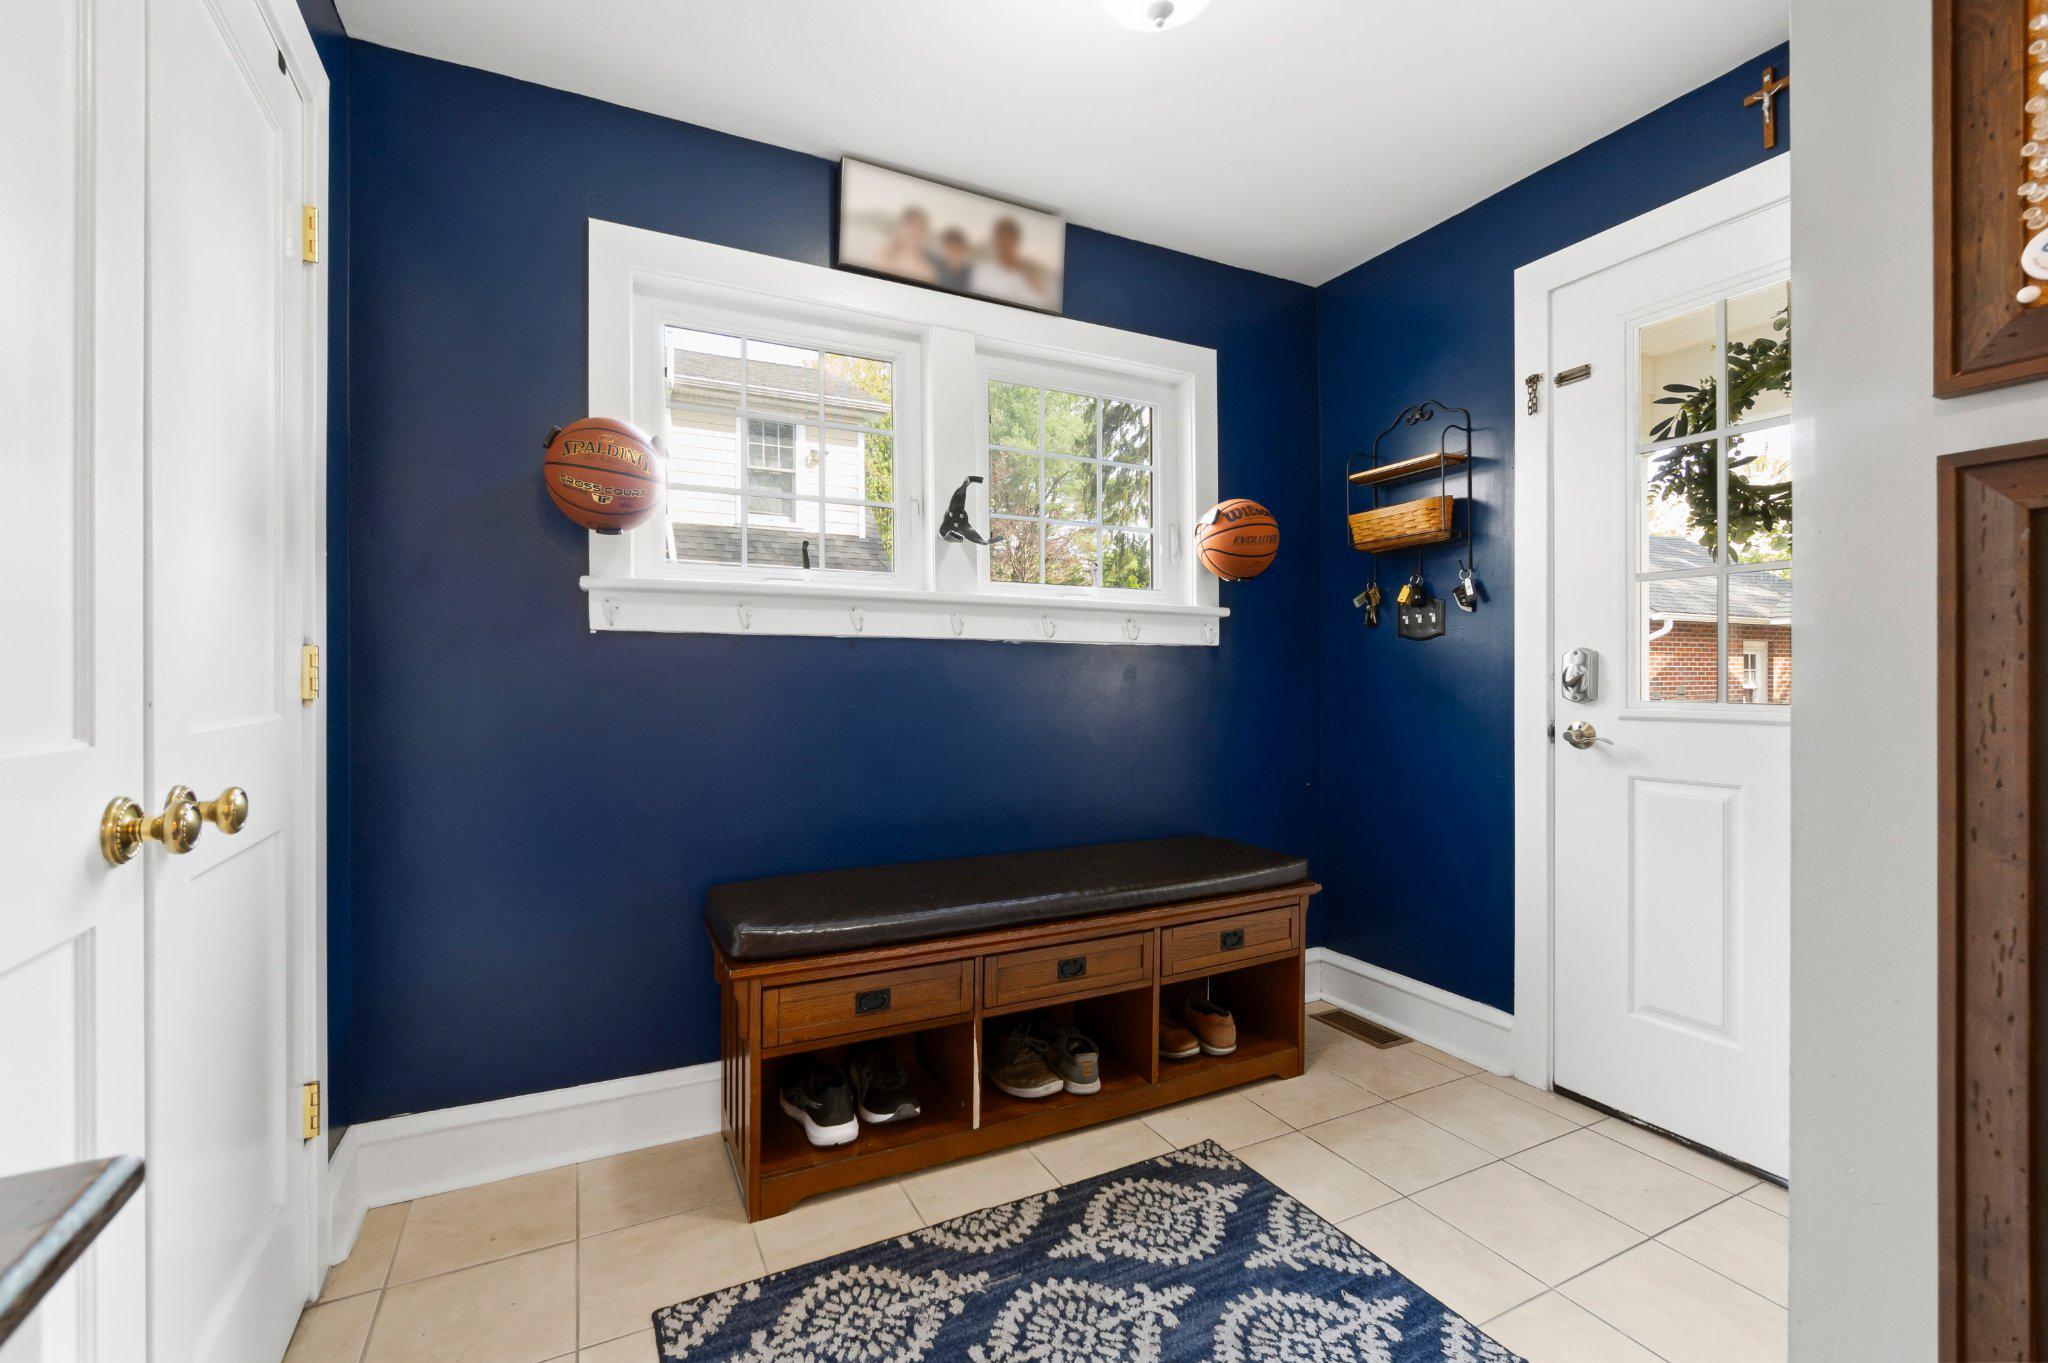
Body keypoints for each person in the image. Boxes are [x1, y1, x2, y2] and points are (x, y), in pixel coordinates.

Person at [970, 217, 1053, 309]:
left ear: (1016, 242)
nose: (1004, 245)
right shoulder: (982, 271)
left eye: (1008, 239)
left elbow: (1038, 304)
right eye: (1000, 239)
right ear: (995, 241)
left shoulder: (1027, 279)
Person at [873, 206, 935, 283]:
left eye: (920, 228)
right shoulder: (887, 255)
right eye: (913, 227)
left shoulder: (926, 269)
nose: (917, 233)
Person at [932, 227, 975, 292]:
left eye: (956, 248)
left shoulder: (970, 271)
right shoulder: (937, 266)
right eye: (949, 248)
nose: (952, 253)